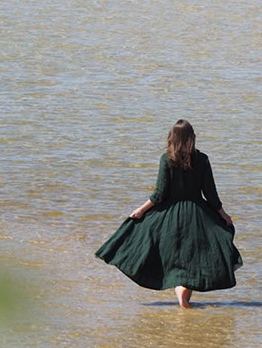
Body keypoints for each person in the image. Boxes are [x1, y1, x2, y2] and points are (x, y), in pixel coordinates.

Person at [95, 119, 242, 308]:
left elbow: (159, 194)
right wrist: (223, 214)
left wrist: (140, 210)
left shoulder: (167, 159)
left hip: (169, 215)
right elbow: (211, 194)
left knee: (173, 259)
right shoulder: (203, 159)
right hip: (197, 214)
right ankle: (184, 299)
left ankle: (181, 298)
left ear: (172, 138)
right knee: (191, 260)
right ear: (192, 138)